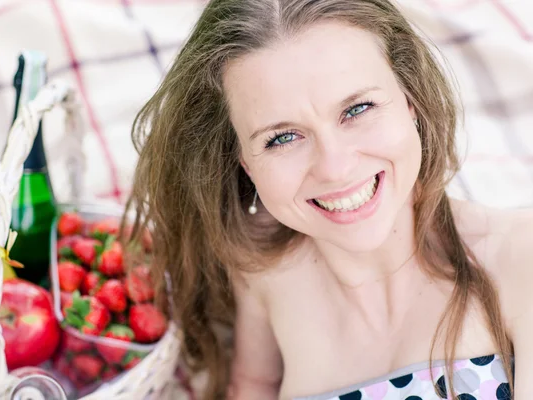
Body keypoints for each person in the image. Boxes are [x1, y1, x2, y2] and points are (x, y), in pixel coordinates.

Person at [123, 0, 533, 399]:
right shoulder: (264, 267)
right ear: (244, 163)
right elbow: (252, 385)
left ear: (411, 102)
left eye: (358, 109)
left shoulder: (520, 256)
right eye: (282, 137)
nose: (335, 168)